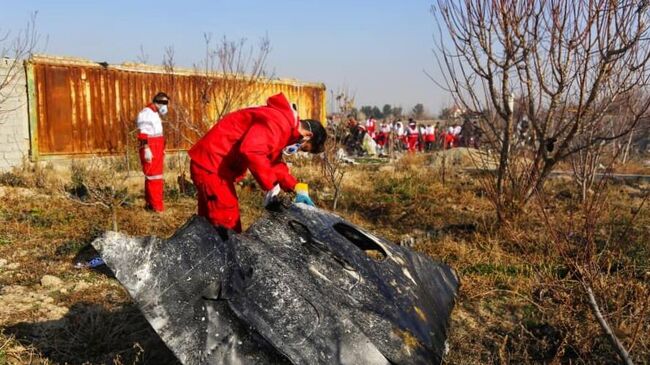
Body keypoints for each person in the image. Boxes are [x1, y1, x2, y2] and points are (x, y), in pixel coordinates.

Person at [188, 93, 327, 233]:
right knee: (227, 224)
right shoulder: (279, 123)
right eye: (304, 148)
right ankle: (225, 254)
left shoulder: (284, 126)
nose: (298, 150)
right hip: (213, 165)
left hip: (212, 165)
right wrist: (271, 186)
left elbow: (273, 162)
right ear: (308, 136)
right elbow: (252, 151)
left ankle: (204, 252)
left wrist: (296, 187)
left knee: (208, 226)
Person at [136, 92, 169, 212]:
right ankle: (156, 207)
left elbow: (157, 133)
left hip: (157, 146)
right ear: (158, 102)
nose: (166, 106)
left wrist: (162, 148)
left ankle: (151, 204)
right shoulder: (146, 114)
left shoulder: (155, 114)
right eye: (165, 103)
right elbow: (143, 133)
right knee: (153, 177)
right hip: (151, 146)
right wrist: (146, 149)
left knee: (155, 176)